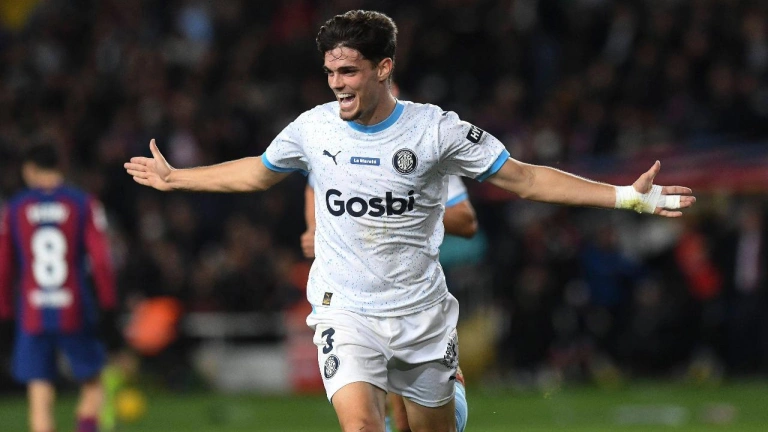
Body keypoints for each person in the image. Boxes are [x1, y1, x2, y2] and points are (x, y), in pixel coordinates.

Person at [124, 10, 695, 432]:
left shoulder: (436, 131)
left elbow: (523, 178)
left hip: (420, 313)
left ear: (384, 68)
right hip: (344, 308)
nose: (336, 84)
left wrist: (627, 198)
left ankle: (452, 397)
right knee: (363, 426)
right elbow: (258, 172)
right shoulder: (313, 128)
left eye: (349, 71)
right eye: (330, 72)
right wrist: (177, 178)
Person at [302, 174, 476, 432]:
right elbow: (313, 181)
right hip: (347, 303)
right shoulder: (331, 151)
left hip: (408, 300)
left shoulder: (425, 154)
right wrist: (314, 227)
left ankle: (451, 391)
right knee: (363, 420)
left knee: (411, 424)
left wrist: (402, 212)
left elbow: (466, 220)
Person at [0, 143, 120, 432]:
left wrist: (4, 310)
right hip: (74, 307)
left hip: (32, 311)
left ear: (29, 169)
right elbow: (101, 260)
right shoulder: (83, 203)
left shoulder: (14, 208)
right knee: (92, 384)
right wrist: (108, 304)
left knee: (39, 395)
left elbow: (3, 266)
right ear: (60, 166)